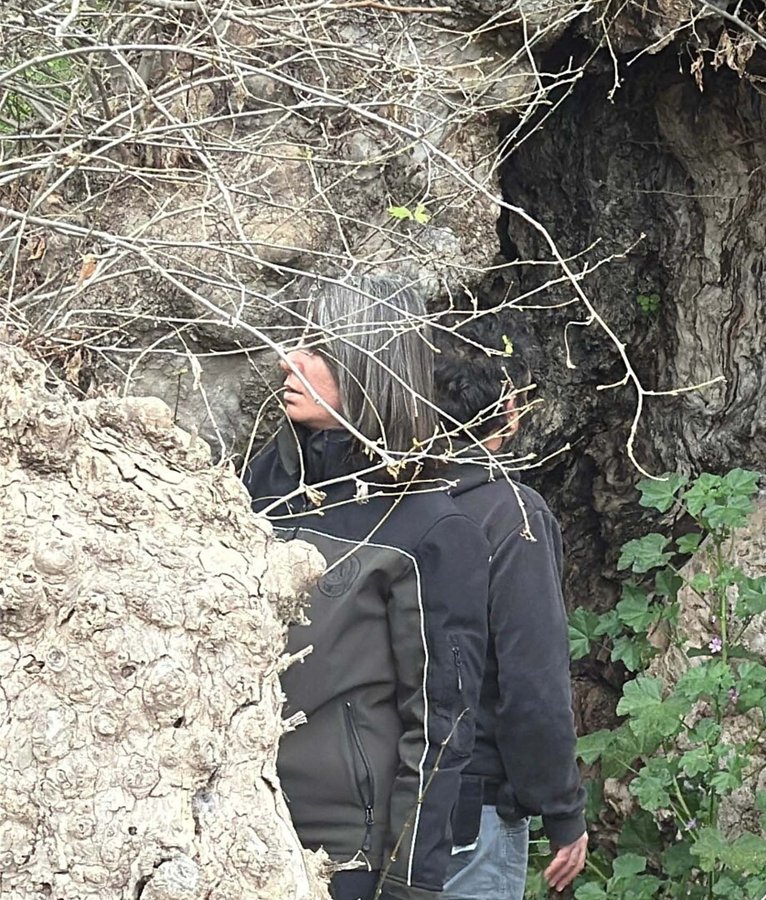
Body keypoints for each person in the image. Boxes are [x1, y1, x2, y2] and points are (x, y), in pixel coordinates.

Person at [243, 275, 489, 900]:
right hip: (235, 822)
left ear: (369, 366)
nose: (289, 361)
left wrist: (408, 882)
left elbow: (440, 725)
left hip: (345, 851)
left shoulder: (429, 527)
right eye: (295, 342)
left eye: (318, 349)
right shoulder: (260, 486)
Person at [432, 316, 589, 899]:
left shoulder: (380, 498)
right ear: (509, 410)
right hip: (470, 810)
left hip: (372, 800)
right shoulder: (511, 517)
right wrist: (563, 810)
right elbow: (533, 682)